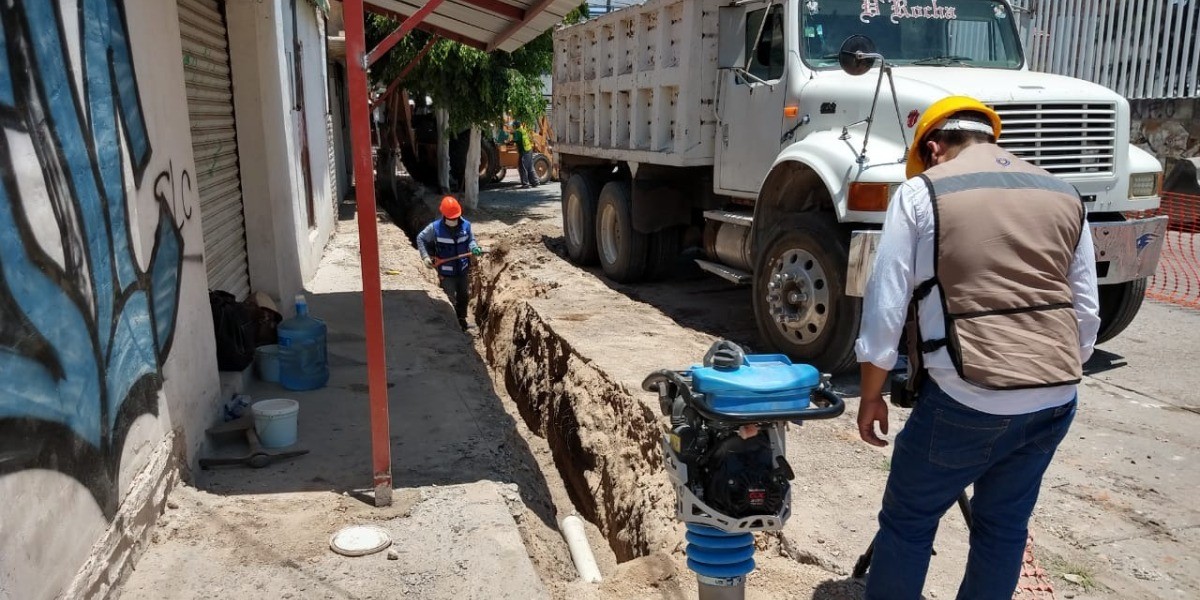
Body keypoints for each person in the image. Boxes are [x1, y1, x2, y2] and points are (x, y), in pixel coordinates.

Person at [854, 96, 1100, 600]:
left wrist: (871, 393)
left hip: (966, 397)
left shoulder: (922, 193)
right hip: (1055, 395)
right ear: (989, 137)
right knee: (1003, 526)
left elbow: (886, 303)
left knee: (909, 522)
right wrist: (1049, 371)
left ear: (934, 147)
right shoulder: (1063, 192)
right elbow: (1086, 310)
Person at [417, 196, 484, 332]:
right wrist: (425, 257)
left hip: (463, 269)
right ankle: (453, 327)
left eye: (455, 217)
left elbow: (471, 239)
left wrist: (473, 247)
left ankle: (462, 320)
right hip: (446, 273)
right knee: (449, 298)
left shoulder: (466, 225)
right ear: (444, 215)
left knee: (463, 296)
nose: (454, 220)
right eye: (451, 217)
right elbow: (421, 238)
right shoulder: (434, 228)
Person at [512, 120, 538, 188]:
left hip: (524, 151)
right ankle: (535, 182)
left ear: (515, 126)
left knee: (523, 167)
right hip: (529, 150)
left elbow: (516, 139)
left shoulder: (517, 132)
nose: (513, 126)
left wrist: (509, 140)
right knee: (530, 166)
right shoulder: (522, 130)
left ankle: (525, 184)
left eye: (513, 125)